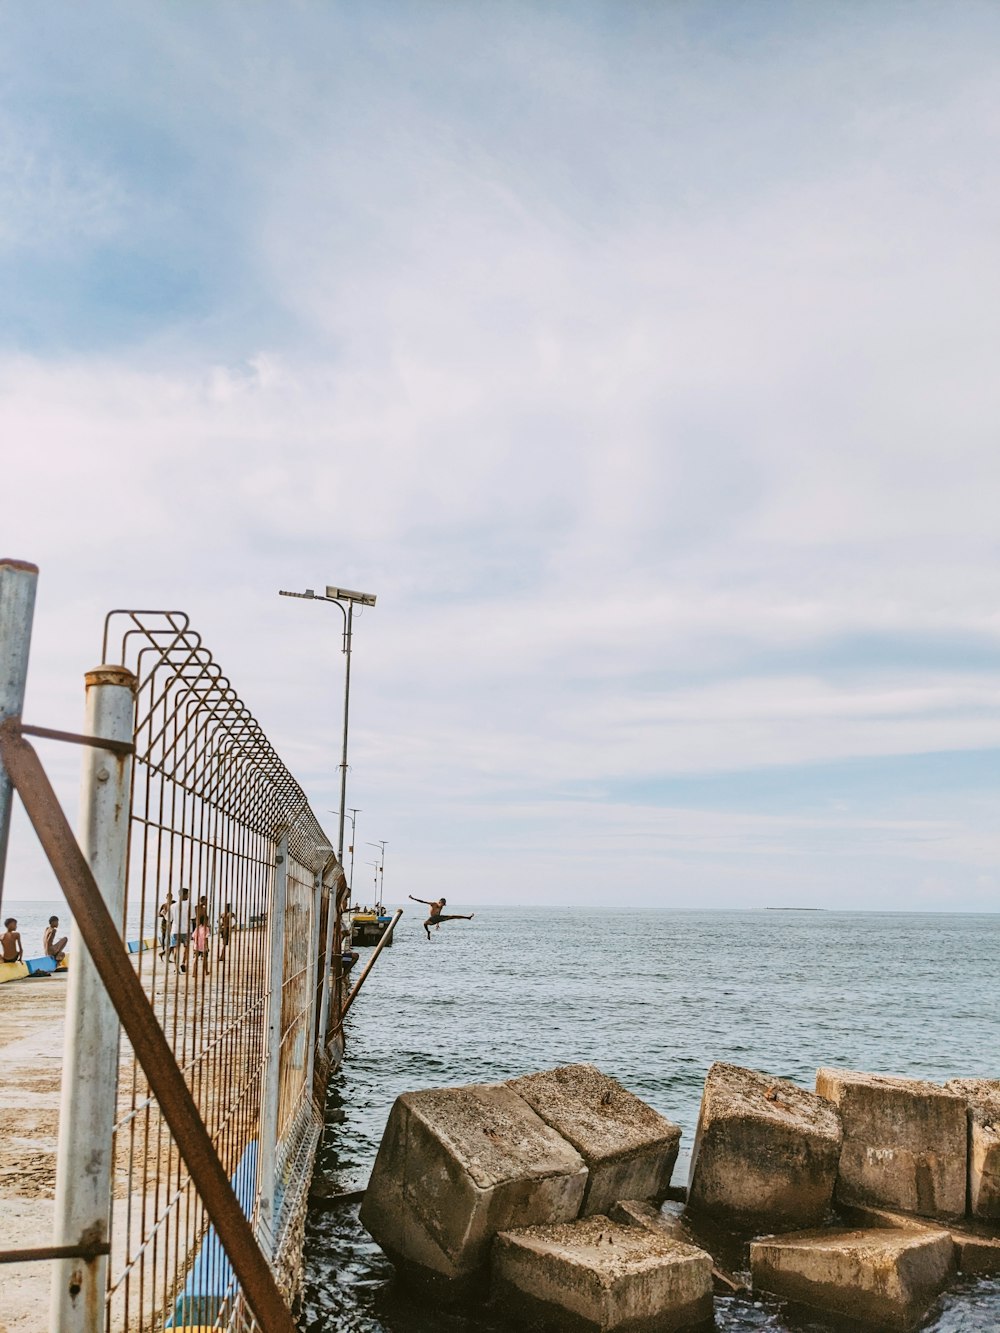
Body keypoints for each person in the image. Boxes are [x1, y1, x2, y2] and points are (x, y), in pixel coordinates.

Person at [408, 895, 475, 941]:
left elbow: (439, 914)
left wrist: (438, 924)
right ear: (440, 902)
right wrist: (413, 898)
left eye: (443, 905)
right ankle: (428, 932)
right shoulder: (433, 904)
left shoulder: (441, 907)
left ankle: (468, 917)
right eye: (442, 904)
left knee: (453, 916)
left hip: (438, 918)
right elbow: (422, 901)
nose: (443, 906)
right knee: (424, 923)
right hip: (432, 919)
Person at [192, 912, 211, 977]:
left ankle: (194, 973)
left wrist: (194, 945)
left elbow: (194, 937)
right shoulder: (207, 928)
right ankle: (206, 972)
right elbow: (206, 939)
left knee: (195, 960)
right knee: (205, 959)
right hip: (203, 946)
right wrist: (207, 947)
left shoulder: (197, 928)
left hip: (196, 946)